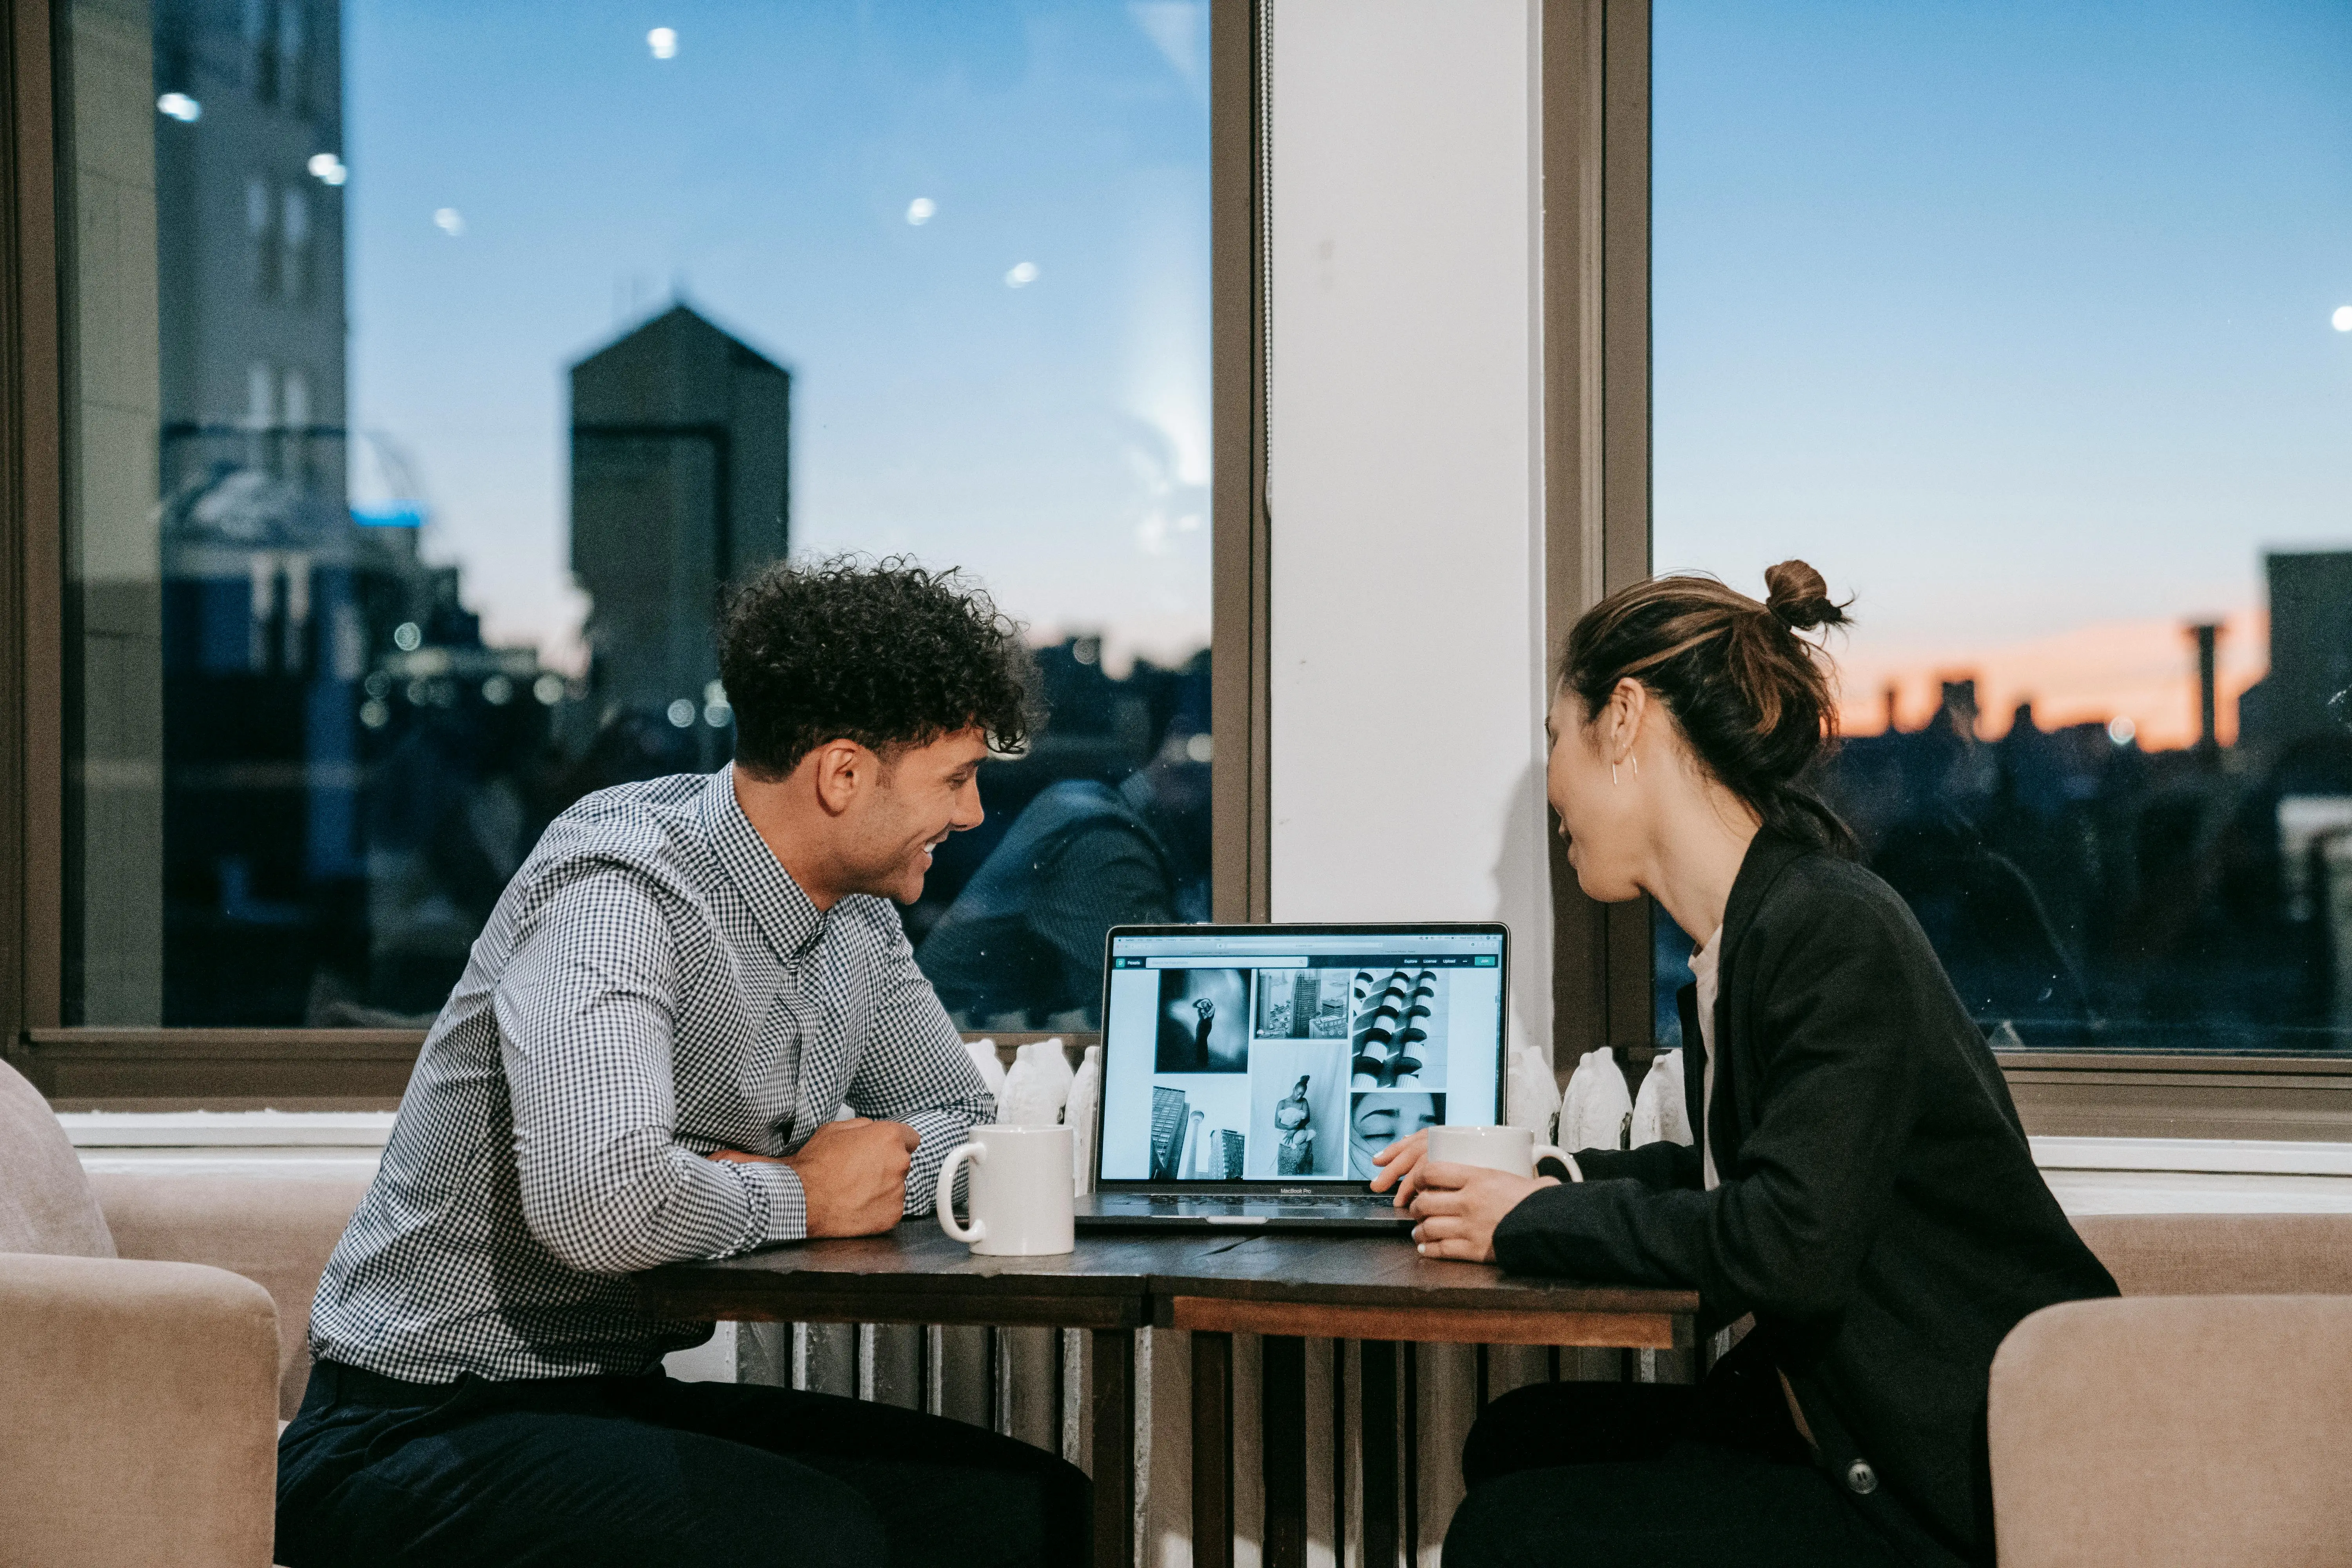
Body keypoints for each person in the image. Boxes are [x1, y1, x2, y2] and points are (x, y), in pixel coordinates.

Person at [276, 558, 1091, 1568]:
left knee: (1033, 1508)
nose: (971, 816)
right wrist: (802, 1195)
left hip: (608, 1397)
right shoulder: (621, 890)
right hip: (413, 1424)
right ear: (843, 774)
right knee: (815, 1542)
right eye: (957, 778)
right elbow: (601, 1201)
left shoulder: (861, 921)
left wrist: (753, 1178)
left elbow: (969, 1132)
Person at [1371, 562, 2116, 1568]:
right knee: (1517, 1433)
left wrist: (1531, 1216)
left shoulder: (1829, 930)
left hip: (1944, 1484)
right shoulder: (1752, 938)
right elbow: (1747, 1178)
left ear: (1624, 718)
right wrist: (1548, 1175)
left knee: (1504, 1535)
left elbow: (1786, 1245)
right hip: (1844, 1428)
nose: (1554, 788)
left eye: (1557, 739)